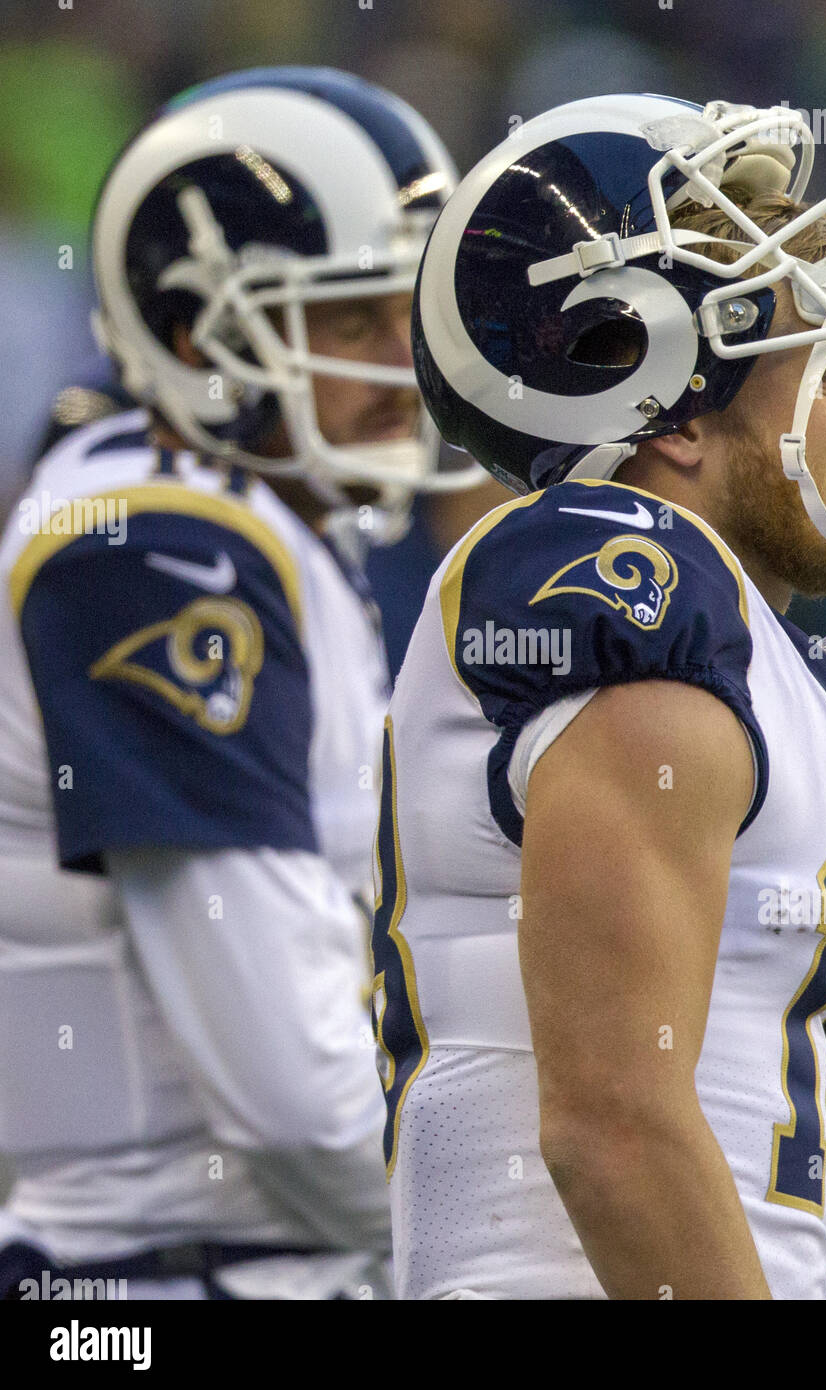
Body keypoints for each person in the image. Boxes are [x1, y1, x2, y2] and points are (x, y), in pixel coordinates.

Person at [372, 96, 826, 1299]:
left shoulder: (748, 638)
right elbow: (613, 1132)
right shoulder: (630, 578)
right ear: (674, 405)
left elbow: (779, 1153)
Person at [0, 66, 484, 1300]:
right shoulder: (155, 549)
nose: (402, 366)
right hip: (154, 1280)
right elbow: (290, 1099)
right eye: (350, 322)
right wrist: (535, 1231)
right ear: (193, 337)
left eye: (408, 317)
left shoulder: (263, 518)